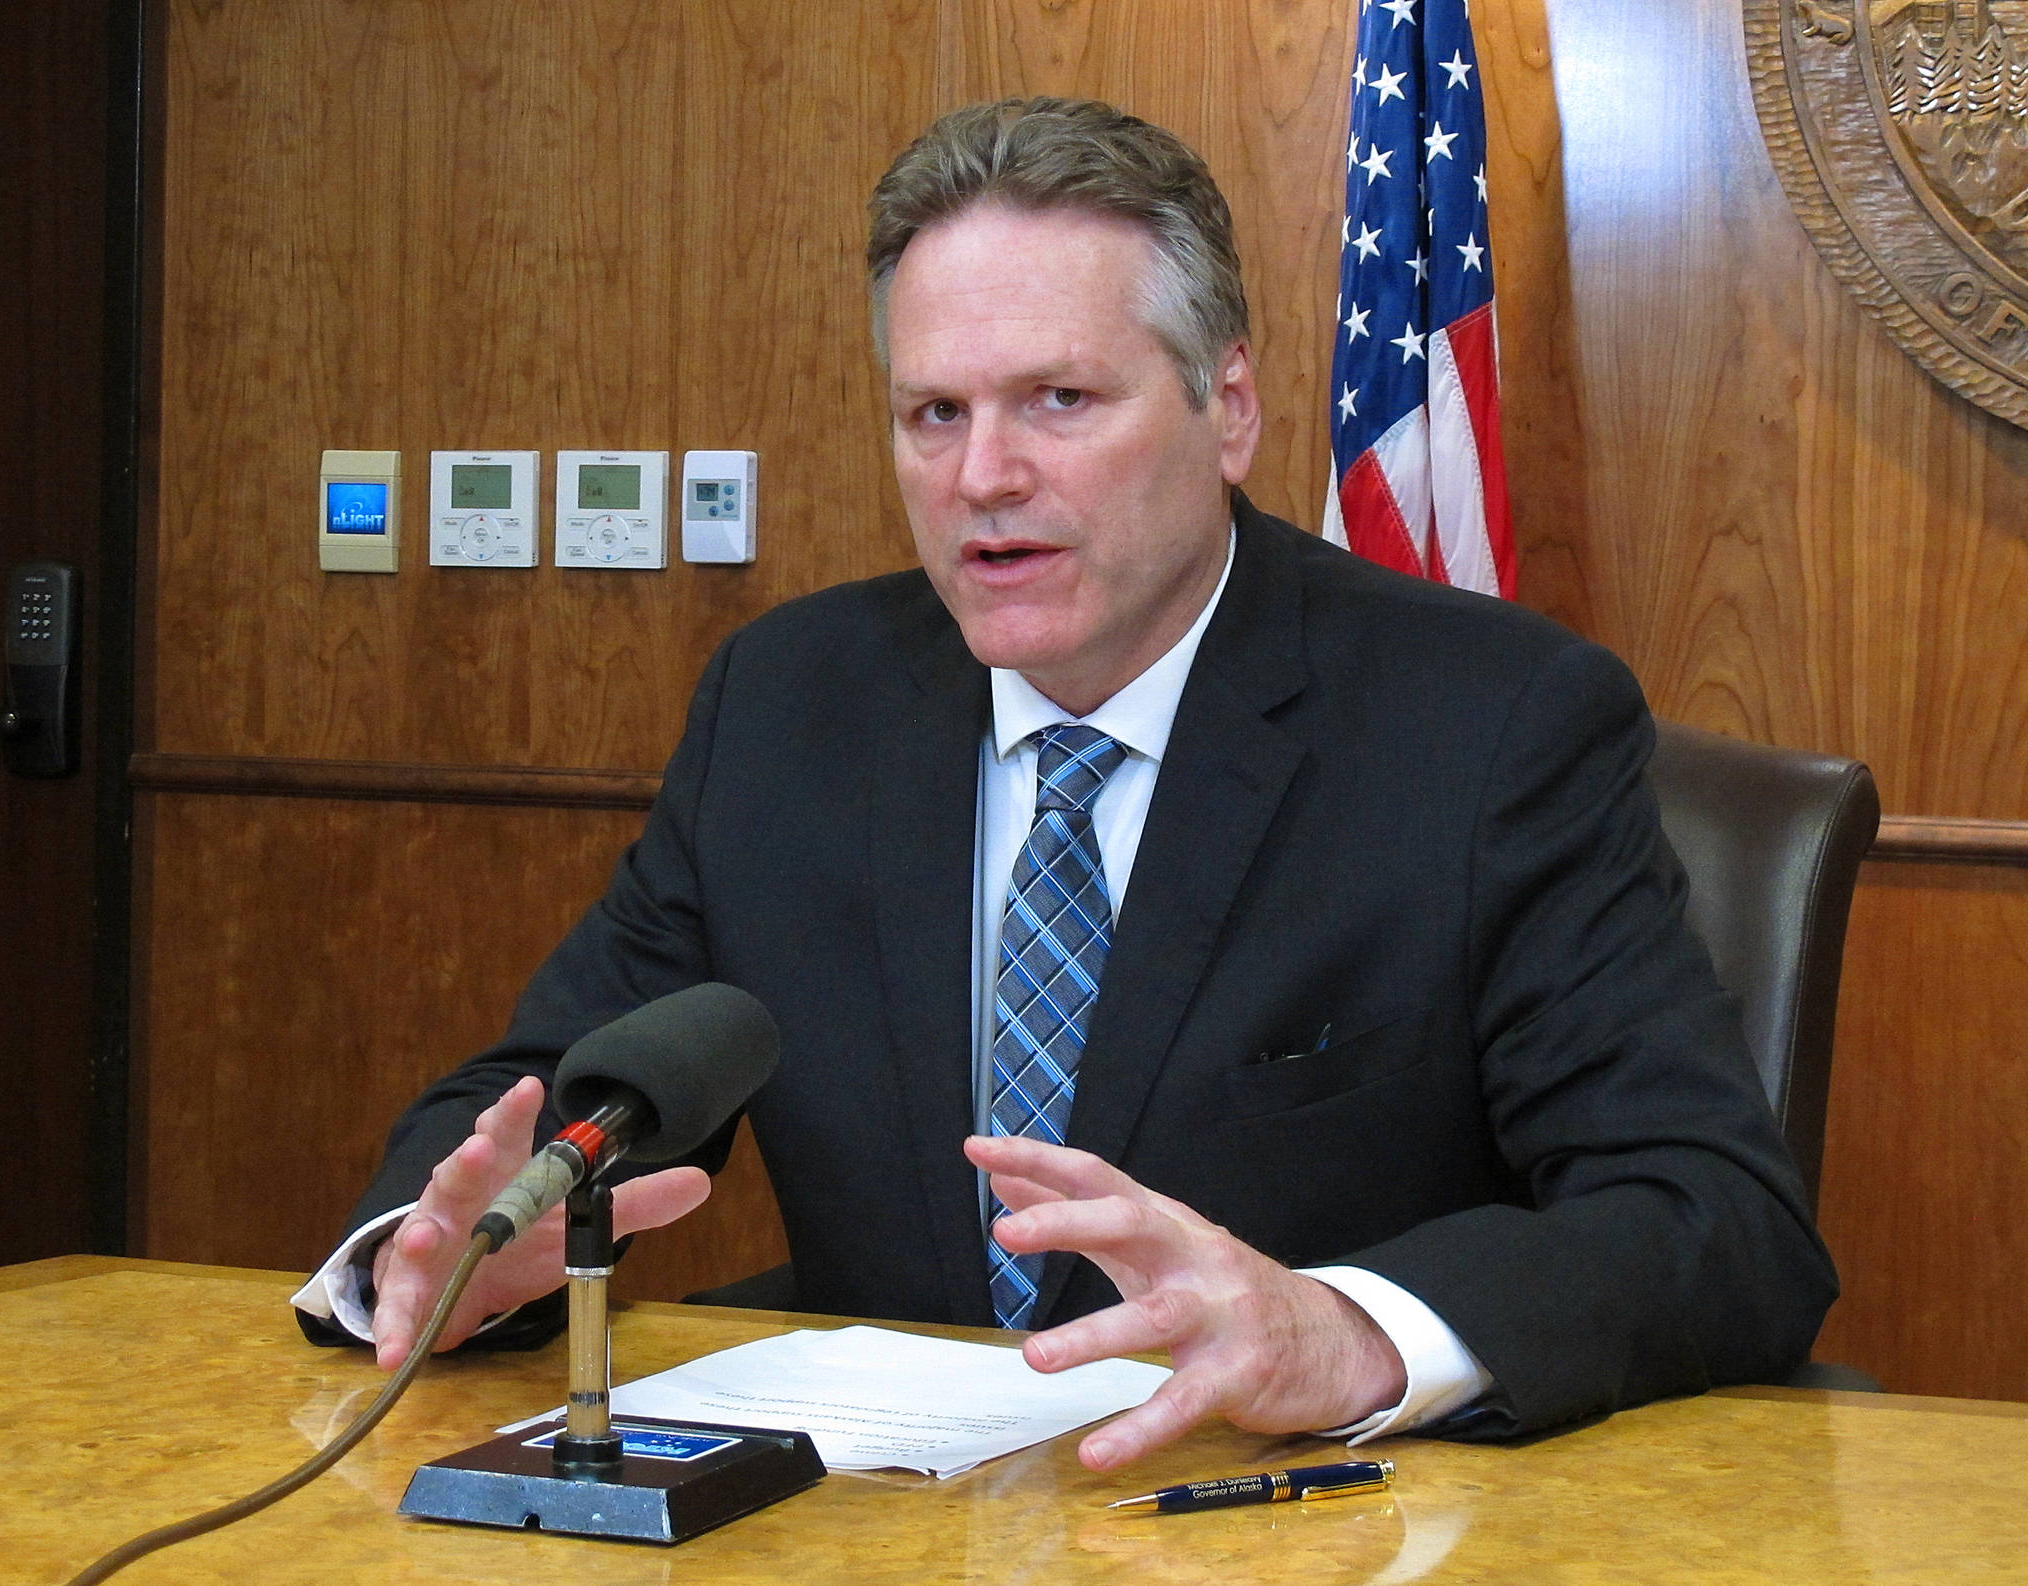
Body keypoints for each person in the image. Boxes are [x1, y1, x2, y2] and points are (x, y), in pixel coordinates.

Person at [294, 97, 1835, 1467]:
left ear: (1227, 407)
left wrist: (1344, 1332)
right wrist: (443, 1250)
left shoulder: (1492, 726)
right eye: (935, 414)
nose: (984, 477)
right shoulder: (790, 707)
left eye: (1059, 401)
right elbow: (555, 1094)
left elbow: (1716, 1217)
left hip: (1307, 1520)